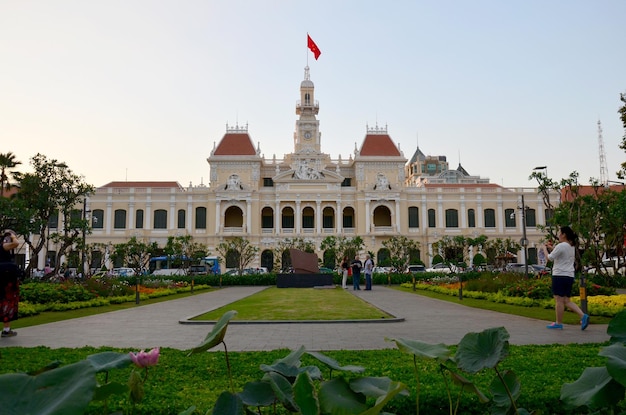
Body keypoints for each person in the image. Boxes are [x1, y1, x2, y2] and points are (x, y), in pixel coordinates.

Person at [542, 226, 589, 330]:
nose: (558, 235)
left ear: (564, 235)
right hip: (569, 275)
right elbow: (559, 253)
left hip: (559, 275)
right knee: (566, 300)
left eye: (559, 233)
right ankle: (583, 315)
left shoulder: (561, 246)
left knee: (558, 299)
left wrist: (544, 249)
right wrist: (552, 248)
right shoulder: (570, 246)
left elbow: (549, 258)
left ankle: (558, 322)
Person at [0, 229, 21, 337]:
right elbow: (16, 243)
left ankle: (7, 329)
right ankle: (6, 329)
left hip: (7, 279)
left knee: (7, 302)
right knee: (7, 302)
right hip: (6, 279)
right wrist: (12, 235)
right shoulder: (3, 246)